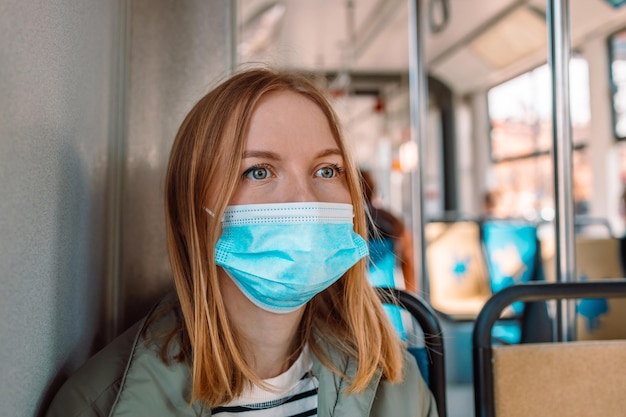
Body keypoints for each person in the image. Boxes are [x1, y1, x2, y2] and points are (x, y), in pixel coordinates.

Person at [45, 68, 438, 416]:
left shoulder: (397, 390)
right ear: (193, 210)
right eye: (259, 171)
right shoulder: (97, 405)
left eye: (326, 168)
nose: (305, 199)